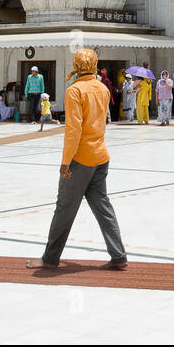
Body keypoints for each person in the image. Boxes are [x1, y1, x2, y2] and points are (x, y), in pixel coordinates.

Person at [27, 48, 128, 271]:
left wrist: (65, 162)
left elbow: (74, 130)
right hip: (101, 156)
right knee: (103, 206)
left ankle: (50, 258)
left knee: (64, 208)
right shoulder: (102, 88)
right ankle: (119, 255)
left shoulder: (74, 91)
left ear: (76, 65)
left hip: (81, 159)